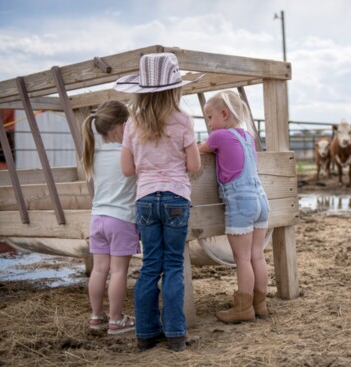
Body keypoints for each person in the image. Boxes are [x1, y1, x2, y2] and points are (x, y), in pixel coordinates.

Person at [115, 53, 201, 352]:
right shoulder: (183, 121)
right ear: (175, 89)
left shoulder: (132, 124)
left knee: (150, 266)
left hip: (146, 199)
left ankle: (146, 334)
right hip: (177, 196)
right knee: (174, 265)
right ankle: (175, 335)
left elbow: (127, 169)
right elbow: (194, 165)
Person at [198, 90, 270, 324]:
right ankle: (260, 304)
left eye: (210, 118)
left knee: (242, 259)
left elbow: (196, 151)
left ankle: (243, 308)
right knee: (257, 256)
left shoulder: (219, 137)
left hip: (240, 202)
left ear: (225, 114)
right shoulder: (248, 137)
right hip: (261, 199)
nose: (209, 124)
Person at [81, 100, 138, 335]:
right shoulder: (128, 152)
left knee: (99, 270)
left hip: (97, 218)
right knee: (118, 271)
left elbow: (99, 124)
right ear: (123, 125)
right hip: (121, 219)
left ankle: (96, 316)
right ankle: (116, 320)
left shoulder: (94, 151)